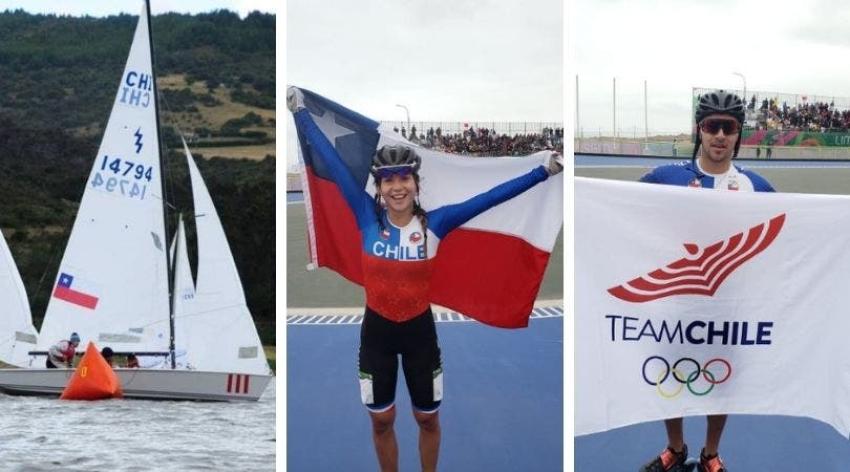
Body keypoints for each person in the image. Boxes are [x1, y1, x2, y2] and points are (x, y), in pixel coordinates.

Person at [318, 142, 561, 472]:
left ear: (417, 183)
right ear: (378, 187)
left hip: (419, 334)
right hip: (377, 335)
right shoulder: (365, 216)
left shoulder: (436, 223)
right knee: (382, 421)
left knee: (427, 419)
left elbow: (491, 197)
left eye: (405, 178)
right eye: (388, 180)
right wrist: (300, 112)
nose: (397, 187)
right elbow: (335, 165)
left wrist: (543, 171)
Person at [638, 90, 774, 472]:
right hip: (677, 301)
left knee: (721, 381)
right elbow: (625, 211)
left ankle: (711, 453)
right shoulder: (666, 177)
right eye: (711, 126)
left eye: (727, 128)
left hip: (729, 306)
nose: (719, 135)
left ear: (738, 134)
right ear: (700, 129)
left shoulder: (757, 186)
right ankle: (676, 449)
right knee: (671, 376)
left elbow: (785, 233)